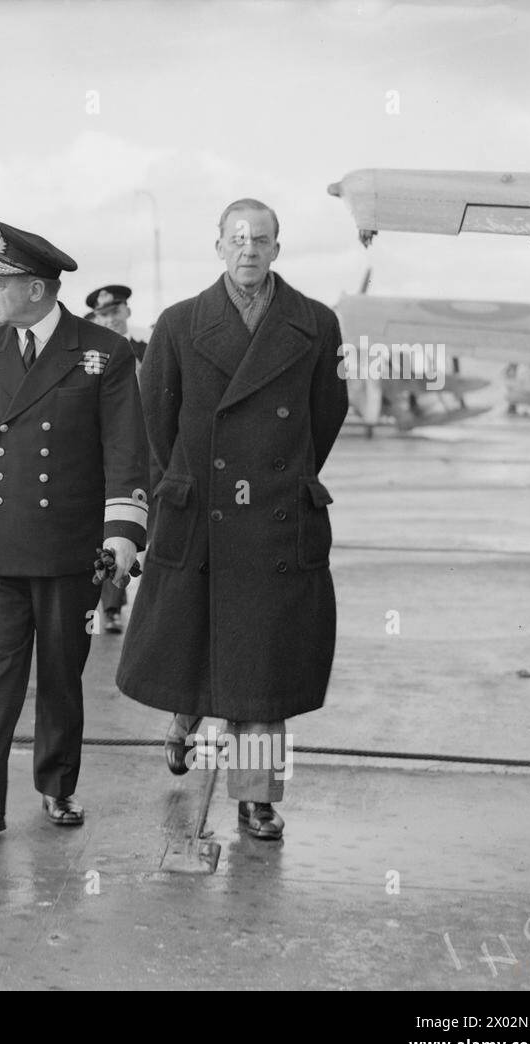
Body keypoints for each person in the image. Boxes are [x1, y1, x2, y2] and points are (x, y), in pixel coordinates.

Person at [115, 198, 349, 841]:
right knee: (196, 646)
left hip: (275, 522)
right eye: (238, 239)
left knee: (261, 671)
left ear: (278, 248)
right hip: (203, 516)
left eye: (262, 239)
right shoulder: (180, 323)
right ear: (219, 246)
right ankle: (183, 722)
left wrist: (283, 478)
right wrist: (188, 482)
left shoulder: (316, 325)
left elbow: (324, 415)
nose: (250, 250)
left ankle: (255, 798)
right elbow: (155, 420)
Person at [0, 222, 149, 840]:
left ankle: (58, 789)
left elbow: (125, 452)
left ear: (35, 288)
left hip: (69, 550)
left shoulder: (104, 354)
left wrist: (122, 534)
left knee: (61, 675)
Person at [86, 284, 147, 633]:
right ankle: (108, 605)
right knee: (104, 527)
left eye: (115, 312)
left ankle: (113, 602)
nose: (110, 319)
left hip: (141, 457)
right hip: (97, 457)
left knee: (128, 529)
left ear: (126, 312)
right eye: (103, 314)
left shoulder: (146, 350)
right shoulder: (88, 354)